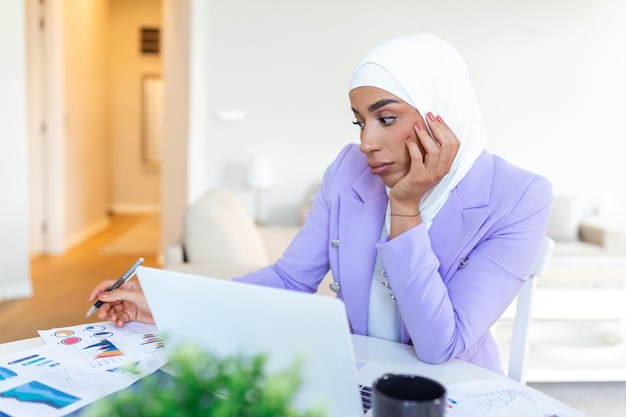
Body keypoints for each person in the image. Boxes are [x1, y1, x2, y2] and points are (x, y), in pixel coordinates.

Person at [87, 33, 552, 374]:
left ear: (443, 116)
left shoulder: (520, 197)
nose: (367, 142)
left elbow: (441, 345)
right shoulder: (350, 169)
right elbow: (290, 278)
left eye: (386, 118)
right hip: (352, 378)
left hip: (451, 391)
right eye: (359, 122)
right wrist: (166, 303)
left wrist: (405, 208)